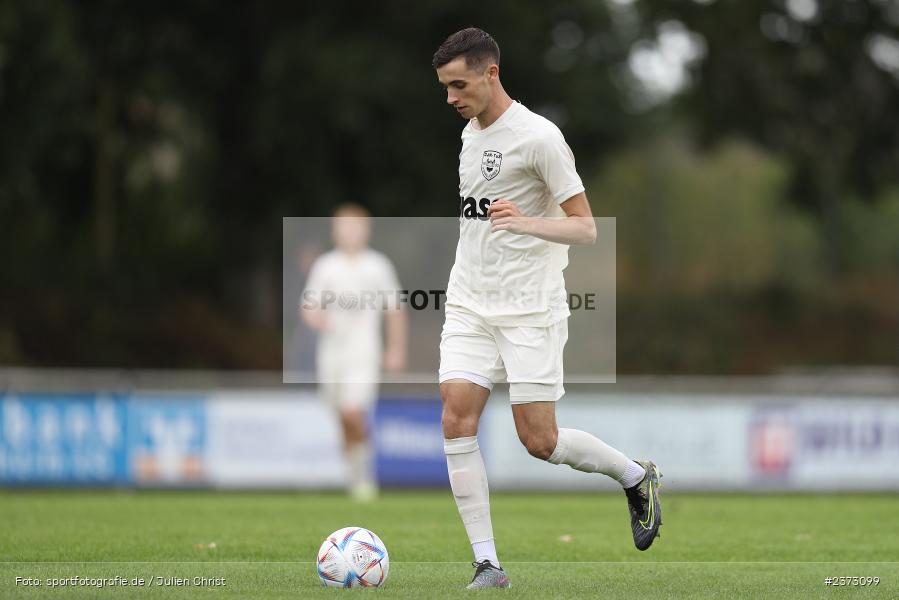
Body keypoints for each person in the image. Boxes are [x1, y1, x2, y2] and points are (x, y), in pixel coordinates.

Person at [432, 28, 662, 589]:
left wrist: (525, 221)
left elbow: (585, 228)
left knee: (540, 442)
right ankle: (487, 563)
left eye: (458, 84)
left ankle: (635, 476)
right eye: (444, 87)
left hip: (531, 310)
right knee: (455, 417)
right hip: (468, 303)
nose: (450, 98)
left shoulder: (540, 138)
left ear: (491, 74)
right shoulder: (469, 135)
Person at [302, 203, 407, 501]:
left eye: (354, 226)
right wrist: (317, 317)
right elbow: (309, 306)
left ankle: (364, 476)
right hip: (331, 354)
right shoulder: (326, 265)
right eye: (343, 226)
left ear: (366, 230)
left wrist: (395, 349)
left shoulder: (378, 265)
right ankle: (354, 474)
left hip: (364, 352)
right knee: (341, 418)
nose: (349, 233)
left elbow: (395, 310)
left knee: (352, 411)